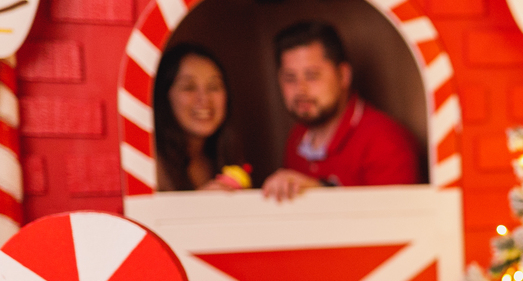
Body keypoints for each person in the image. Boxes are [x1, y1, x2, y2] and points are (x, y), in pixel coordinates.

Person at [263, 20, 423, 200]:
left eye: (312, 76)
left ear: (343, 75)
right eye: (290, 78)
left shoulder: (387, 142)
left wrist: (322, 193)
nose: (301, 90)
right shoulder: (296, 138)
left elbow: (395, 223)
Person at [153, 43, 245, 191]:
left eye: (213, 87)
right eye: (189, 87)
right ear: (165, 97)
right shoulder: (151, 166)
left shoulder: (224, 158)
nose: (204, 99)